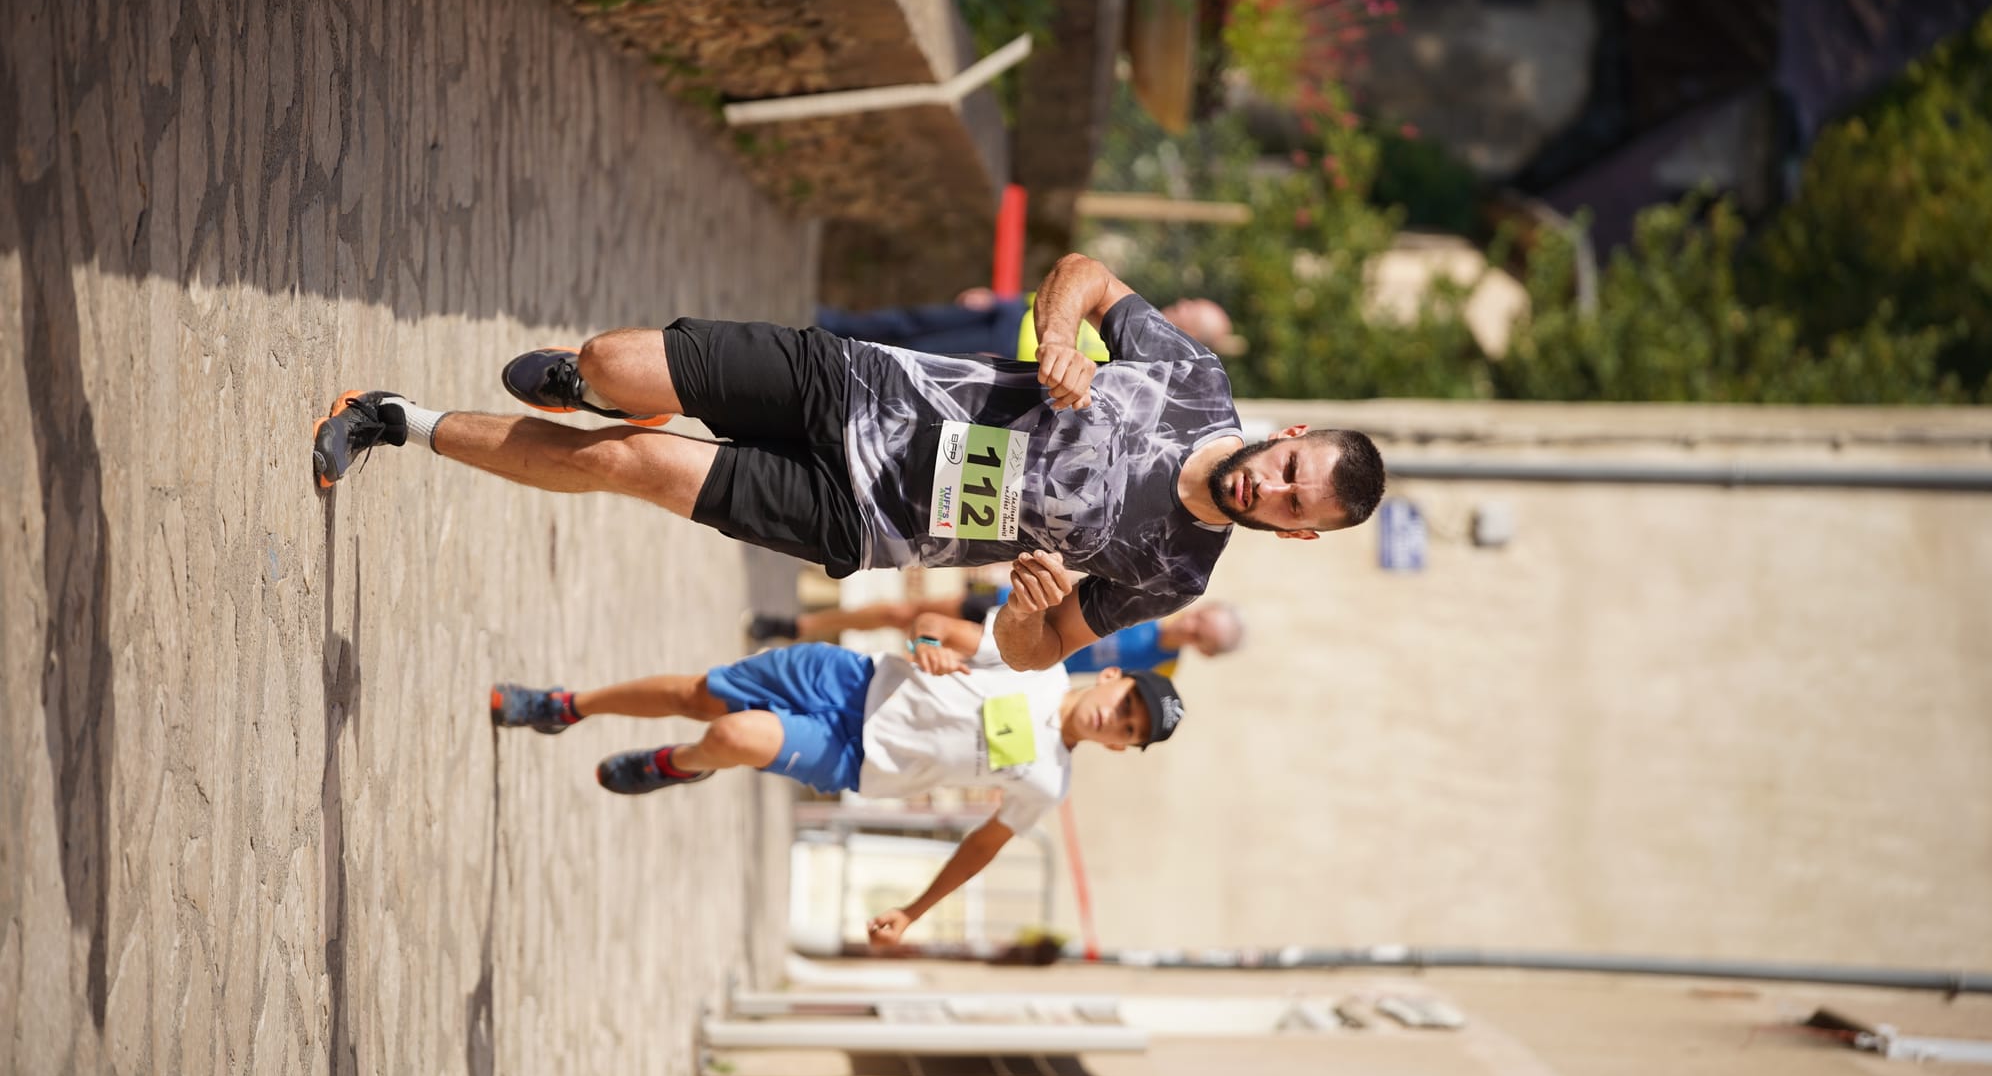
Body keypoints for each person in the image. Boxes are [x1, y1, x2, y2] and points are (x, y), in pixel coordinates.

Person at [311, 251, 1386, 670]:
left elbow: (1030, 647)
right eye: (1288, 467)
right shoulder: (1192, 378)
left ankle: (390, 417)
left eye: (1293, 507)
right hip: (862, 385)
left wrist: (1026, 604)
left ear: (1296, 534)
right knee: (614, 362)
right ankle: (594, 382)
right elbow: (1086, 275)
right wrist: (1060, 334)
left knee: (624, 470)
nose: (1268, 487)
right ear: (1291, 436)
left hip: (859, 516)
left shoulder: (1174, 570)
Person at [488, 594, 1187, 946]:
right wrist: (927, 645)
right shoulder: (1037, 661)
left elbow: (980, 847)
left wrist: (912, 912)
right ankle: (565, 705)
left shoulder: (1046, 783)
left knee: (731, 733)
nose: (1115, 721)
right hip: (846, 679)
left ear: (1122, 748)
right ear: (1114, 678)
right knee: (697, 694)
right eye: (1126, 705)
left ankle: (681, 762)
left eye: (1129, 731)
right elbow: (935, 625)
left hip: (855, 756)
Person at [749, 593, 1244, 678]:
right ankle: (797, 627)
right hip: (1017, 608)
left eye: (1204, 634)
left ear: (1204, 650)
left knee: (926, 651)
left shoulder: (1159, 668)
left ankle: (804, 653)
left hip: (1016, 656)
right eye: (1203, 618)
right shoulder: (1154, 603)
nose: (1193, 625)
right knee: (906, 613)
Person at [817, 289, 1243, 362]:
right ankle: (829, 323)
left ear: (1191, 334)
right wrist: (1005, 298)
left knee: (907, 350)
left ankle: (823, 352)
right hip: (1014, 312)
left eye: (1192, 309)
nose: (1183, 303)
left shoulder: (1141, 355)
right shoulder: (1142, 308)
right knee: (912, 321)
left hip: (1005, 347)